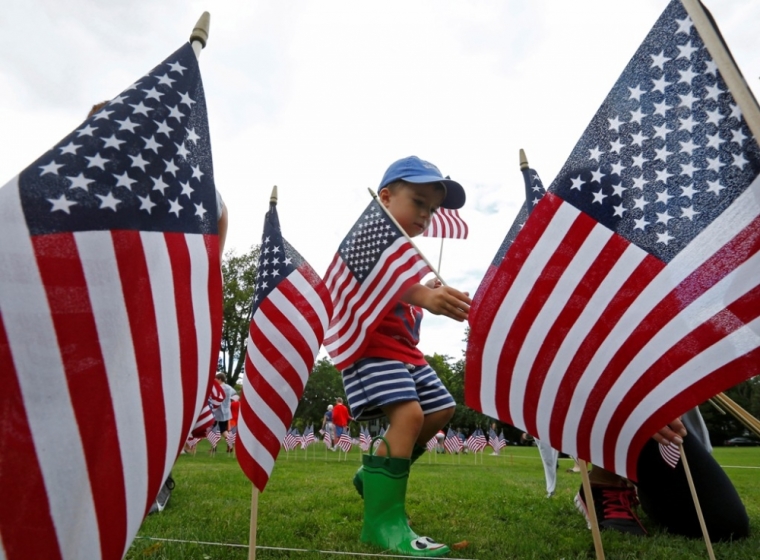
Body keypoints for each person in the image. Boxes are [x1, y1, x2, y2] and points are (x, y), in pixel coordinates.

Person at [343, 156, 471, 557]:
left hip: (406, 353)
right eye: (418, 201)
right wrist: (423, 295)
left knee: (441, 409)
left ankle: (375, 468)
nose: (426, 215)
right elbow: (378, 278)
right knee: (410, 416)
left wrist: (428, 289)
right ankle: (383, 522)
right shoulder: (369, 235)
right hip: (372, 348)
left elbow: (403, 289)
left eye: (431, 209)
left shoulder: (405, 254)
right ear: (385, 197)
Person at [574, 408, 748, 541]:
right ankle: (603, 481)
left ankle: (638, 481)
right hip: (613, 407)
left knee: (726, 526)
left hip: (666, 412)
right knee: (723, 526)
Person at [211, 372, 237, 450]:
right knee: (223, 429)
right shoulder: (229, 388)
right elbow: (235, 395)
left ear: (220, 379)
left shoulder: (219, 388)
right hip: (226, 411)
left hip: (217, 411)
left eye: (216, 379)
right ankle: (230, 444)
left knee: (210, 429)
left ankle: (214, 446)